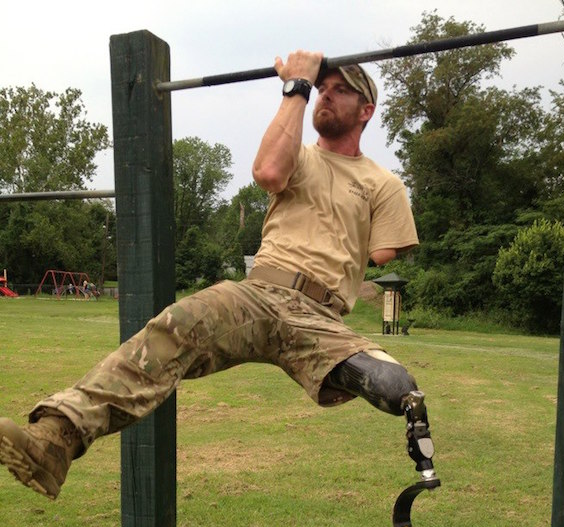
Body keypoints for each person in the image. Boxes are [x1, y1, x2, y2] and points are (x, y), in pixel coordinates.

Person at [0, 50, 436, 501]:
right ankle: (55, 440)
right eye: (322, 87)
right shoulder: (298, 155)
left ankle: (417, 462)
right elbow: (268, 172)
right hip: (260, 295)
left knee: (398, 387)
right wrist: (296, 88)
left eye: (340, 90)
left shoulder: (383, 184)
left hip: (324, 320)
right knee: (177, 327)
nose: (327, 95)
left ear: (367, 110)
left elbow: (385, 253)